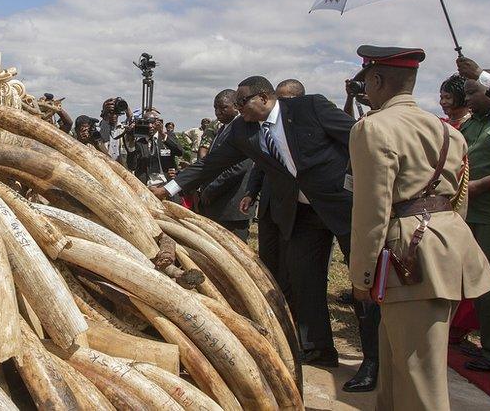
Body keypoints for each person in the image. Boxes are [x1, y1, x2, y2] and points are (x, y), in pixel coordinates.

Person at [151, 74, 381, 391]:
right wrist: (169, 189)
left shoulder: (309, 107)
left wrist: (369, 187)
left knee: (361, 281)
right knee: (303, 279)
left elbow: (357, 140)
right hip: (301, 214)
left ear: (263, 98)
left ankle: (373, 361)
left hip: (344, 207)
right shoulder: (243, 130)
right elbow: (210, 165)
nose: (238, 108)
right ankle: (318, 348)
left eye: (242, 102)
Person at [348, 46, 490, 409]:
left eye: (367, 80)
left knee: (418, 375)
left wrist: (362, 275)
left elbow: (372, 210)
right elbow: (458, 199)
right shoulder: (448, 131)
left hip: (408, 254)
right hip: (443, 247)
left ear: (377, 79)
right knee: (401, 365)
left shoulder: (373, 128)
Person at [241, 79, 306, 307]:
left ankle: (291, 305)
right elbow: (260, 165)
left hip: (298, 208)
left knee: (292, 263)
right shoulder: (263, 129)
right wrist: (251, 191)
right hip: (270, 203)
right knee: (269, 258)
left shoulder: (305, 127)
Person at [459, 74, 490, 372]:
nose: (467, 97)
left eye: (473, 91)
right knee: (475, 282)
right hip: (467, 213)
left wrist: (481, 184)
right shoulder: (473, 122)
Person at [197, 89, 254, 240]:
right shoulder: (222, 129)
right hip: (218, 204)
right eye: (215, 108)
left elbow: (239, 167)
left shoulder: (244, 129)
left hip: (233, 206)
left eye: (223, 107)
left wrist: (211, 189)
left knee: (236, 254)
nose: (218, 112)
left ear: (236, 106)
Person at [129, 109, 183, 185]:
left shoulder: (168, 136)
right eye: (147, 123)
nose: (150, 126)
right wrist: (130, 140)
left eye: (153, 123)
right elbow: (132, 166)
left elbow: (180, 152)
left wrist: (162, 134)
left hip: (167, 182)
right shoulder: (139, 143)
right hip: (147, 184)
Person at [100, 97, 132, 164]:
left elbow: (130, 119)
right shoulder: (100, 128)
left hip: (119, 165)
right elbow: (104, 126)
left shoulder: (122, 129)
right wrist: (105, 109)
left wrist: (125, 106)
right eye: (110, 112)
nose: (113, 115)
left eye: (116, 112)